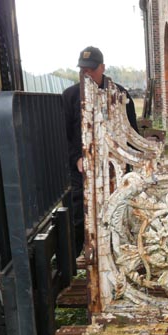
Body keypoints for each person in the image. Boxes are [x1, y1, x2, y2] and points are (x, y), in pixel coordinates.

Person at [62, 46, 139, 255]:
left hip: (114, 167)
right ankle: (82, 257)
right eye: (83, 70)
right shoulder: (69, 97)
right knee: (81, 214)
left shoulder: (120, 94)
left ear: (102, 68)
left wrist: (130, 164)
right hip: (82, 169)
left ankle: (118, 254)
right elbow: (65, 135)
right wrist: (77, 158)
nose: (86, 74)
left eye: (91, 70)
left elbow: (132, 131)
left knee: (117, 210)